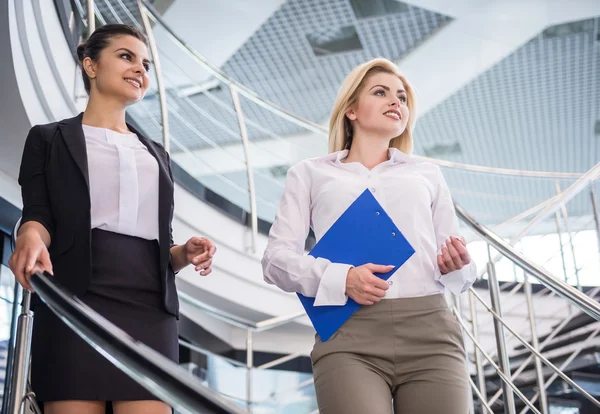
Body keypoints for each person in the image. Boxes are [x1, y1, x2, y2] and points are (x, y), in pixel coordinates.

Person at [8, 24, 216, 414]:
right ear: (90, 65)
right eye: (126, 56)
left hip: (150, 309)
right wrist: (29, 237)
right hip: (73, 298)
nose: (140, 69)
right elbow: (38, 214)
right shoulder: (48, 139)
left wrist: (183, 254)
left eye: (146, 63)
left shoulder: (157, 154)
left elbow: (159, 242)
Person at [261, 57, 476, 413]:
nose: (396, 102)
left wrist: (458, 265)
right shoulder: (310, 174)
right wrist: (340, 278)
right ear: (351, 111)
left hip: (431, 330)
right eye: (381, 93)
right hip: (349, 333)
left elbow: (460, 273)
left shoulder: (428, 174)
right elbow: (275, 261)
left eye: (402, 98)